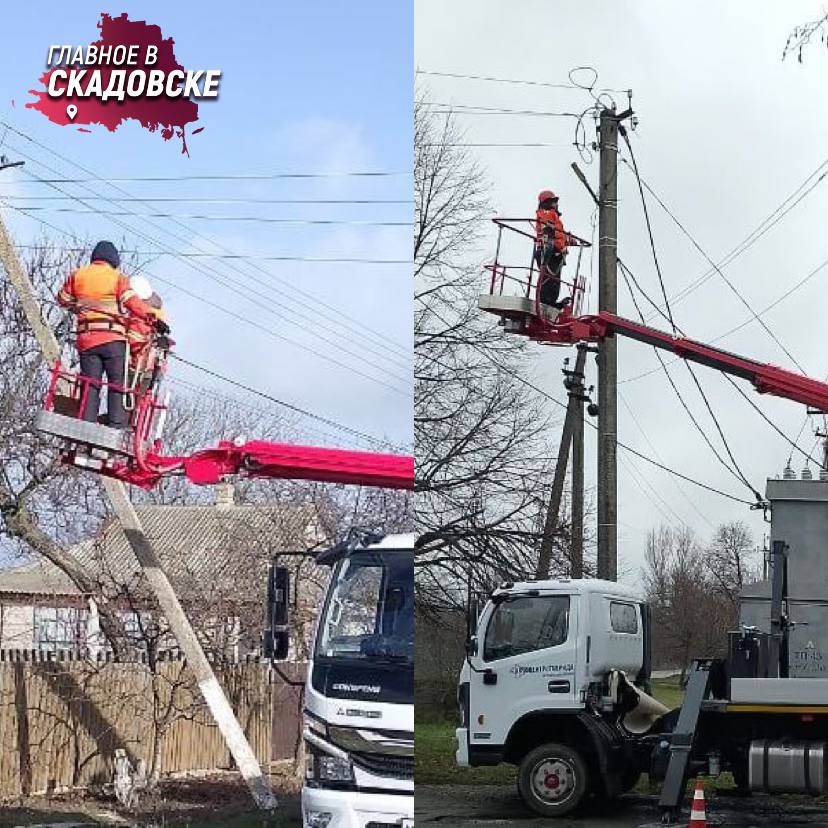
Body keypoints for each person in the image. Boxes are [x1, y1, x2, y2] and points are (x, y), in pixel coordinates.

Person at [57, 241, 163, 427]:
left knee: (90, 384)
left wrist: (80, 306)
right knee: (116, 384)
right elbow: (132, 303)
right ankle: (116, 425)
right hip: (113, 341)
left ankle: (86, 424)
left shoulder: (78, 275)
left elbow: (63, 299)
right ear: (113, 260)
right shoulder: (117, 278)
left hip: (87, 340)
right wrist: (153, 318)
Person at [126, 275, 169, 393]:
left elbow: (134, 342)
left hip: (135, 368)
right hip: (148, 369)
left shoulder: (138, 318)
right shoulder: (158, 315)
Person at [534, 190, 576, 309]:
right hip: (548, 251)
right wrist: (551, 238)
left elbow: (558, 234)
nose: (556, 204)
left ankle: (550, 302)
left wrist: (568, 240)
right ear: (547, 202)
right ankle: (545, 303)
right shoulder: (546, 213)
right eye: (553, 201)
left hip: (555, 252)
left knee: (554, 281)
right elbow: (549, 230)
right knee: (548, 279)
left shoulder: (554, 216)